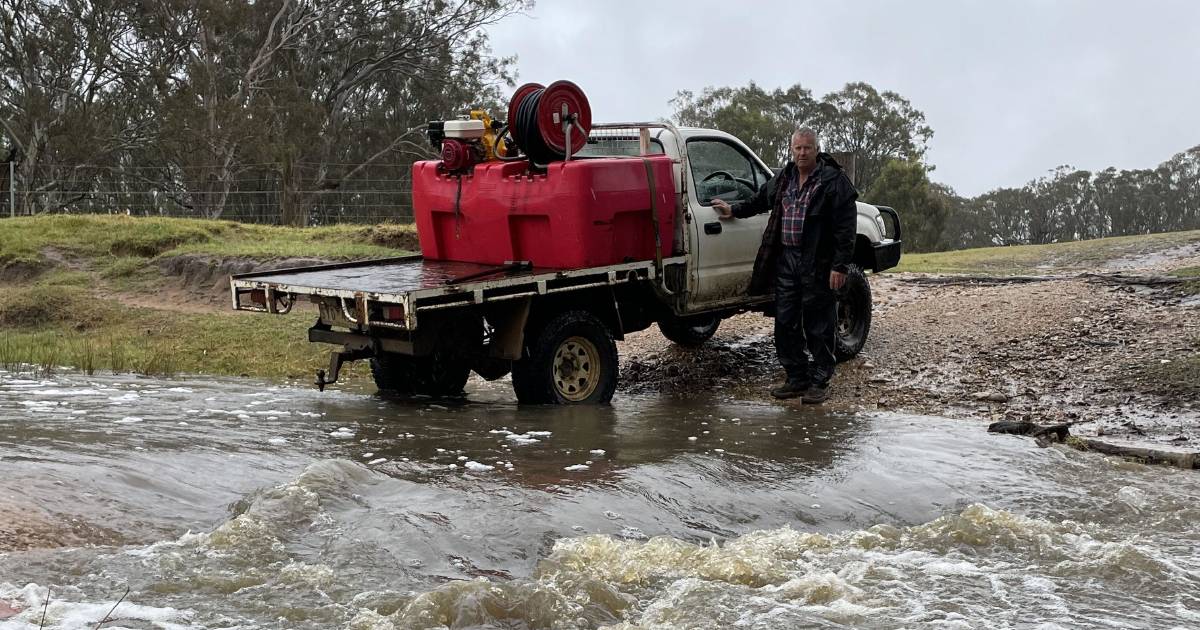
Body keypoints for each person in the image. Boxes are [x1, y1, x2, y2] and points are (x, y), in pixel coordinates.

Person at [711, 127, 858, 403]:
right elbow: (759, 200)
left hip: (818, 261)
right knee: (785, 322)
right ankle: (796, 377)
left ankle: (819, 381)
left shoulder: (833, 181)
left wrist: (839, 267)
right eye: (798, 148)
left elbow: (846, 230)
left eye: (808, 148)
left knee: (819, 324)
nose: (802, 153)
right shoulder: (784, 178)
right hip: (787, 259)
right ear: (791, 150)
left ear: (817, 149)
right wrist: (733, 209)